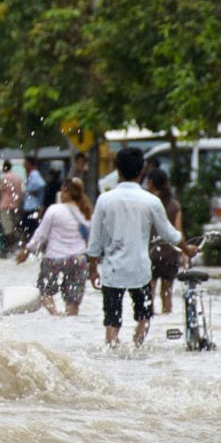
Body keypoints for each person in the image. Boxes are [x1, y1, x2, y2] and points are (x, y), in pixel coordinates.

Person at [87, 147, 181, 347]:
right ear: (141, 172)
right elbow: (169, 234)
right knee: (144, 317)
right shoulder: (151, 201)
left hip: (113, 271)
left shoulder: (104, 200)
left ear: (118, 171)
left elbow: (95, 239)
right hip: (141, 271)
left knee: (112, 322)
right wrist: (187, 248)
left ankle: (113, 353)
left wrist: (93, 267)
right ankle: (137, 349)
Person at [16, 178, 93, 316]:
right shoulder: (86, 213)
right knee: (73, 302)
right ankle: (69, 323)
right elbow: (91, 241)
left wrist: (27, 250)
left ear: (67, 193)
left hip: (54, 259)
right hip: (78, 260)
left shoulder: (54, 210)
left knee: (45, 293)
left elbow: (41, 234)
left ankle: (55, 316)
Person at [147, 168, 195, 314]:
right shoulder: (174, 205)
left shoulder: (148, 203)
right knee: (167, 294)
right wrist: (185, 252)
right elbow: (178, 231)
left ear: (150, 183)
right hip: (171, 254)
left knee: (149, 295)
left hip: (152, 253)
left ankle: (150, 325)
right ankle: (167, 323)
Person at [0, 162, 23, 246]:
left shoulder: (4, 178)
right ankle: (17, 245)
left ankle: (10, 247)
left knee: (8, 229)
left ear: (4, 168)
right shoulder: (18, 178)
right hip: (16, 205)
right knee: (15, 227)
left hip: (5, 206)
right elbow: (21, 192)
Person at [20, 156, 46, 238]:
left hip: (32, 207)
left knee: (30, 231)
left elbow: (41, 184)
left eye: (25, 162)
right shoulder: (31, 174)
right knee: (28, 230)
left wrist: (31, 190)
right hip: (30, 207)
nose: (23, 164)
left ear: (29, 163)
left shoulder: (34, 174)